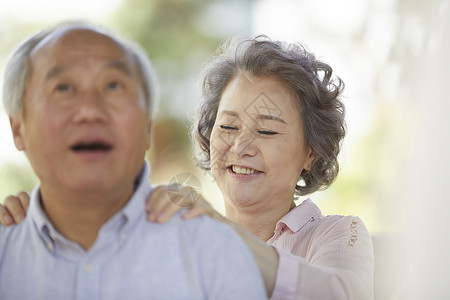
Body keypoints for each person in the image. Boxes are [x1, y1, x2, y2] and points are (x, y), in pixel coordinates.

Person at [1, 35, 374, 299]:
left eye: (266, 129)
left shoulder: (334, 234)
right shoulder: (176, 226)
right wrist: (34, 223)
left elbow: (342, 295)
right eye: (227, 126)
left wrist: (218, 232)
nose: (241, 146)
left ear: (310, 152)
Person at [0, 22, 268, 300]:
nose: (90, 110)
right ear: (18, 128)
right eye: (63, 88)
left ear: (147, 128)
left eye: (113, 85)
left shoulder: (214, 254)